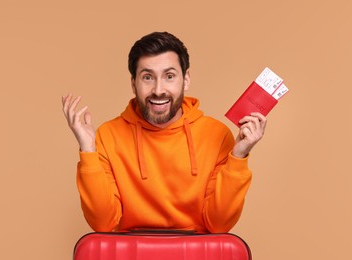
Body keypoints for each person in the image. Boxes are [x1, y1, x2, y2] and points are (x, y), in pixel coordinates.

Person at [62, 31, 266, 233]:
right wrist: (88, 151)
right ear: (133, 83)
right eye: (147, 77)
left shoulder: (217, 135)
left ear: (185, 80)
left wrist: (238, 156)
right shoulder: (108, 135)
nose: (158, 90)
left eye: (169, 76)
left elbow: (219, 224)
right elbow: (103, 223)